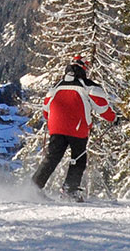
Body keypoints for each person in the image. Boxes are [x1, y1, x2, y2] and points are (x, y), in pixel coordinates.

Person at [30, 57, 117, 201]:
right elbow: (102, 108)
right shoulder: (88, 86)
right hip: (77, 128)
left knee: (52, 157)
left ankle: (34, 187)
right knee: (78, 158)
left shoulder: (56, 87)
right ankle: (70, 190)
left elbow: (45, 111)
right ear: (83, 70)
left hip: (56, 127)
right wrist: (114, 117)